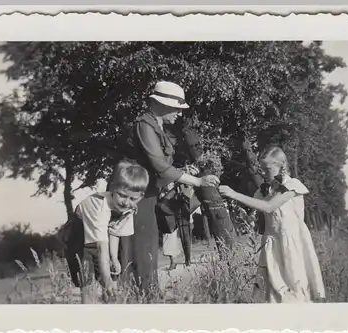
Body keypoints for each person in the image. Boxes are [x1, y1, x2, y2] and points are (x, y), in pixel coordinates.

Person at [120, 81, 220, 293]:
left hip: (147, 194)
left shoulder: (155, 126)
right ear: (162, 104)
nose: (179, 114)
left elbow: (161, 167)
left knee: (146, 249)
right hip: (135, 196)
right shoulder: (145, 125)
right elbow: (159, 165)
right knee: (140, 249)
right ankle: (142, 297)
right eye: (176, 108)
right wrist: (197, 181)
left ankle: (146, 294)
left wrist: (182, 172)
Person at [219, 145, 326, 303]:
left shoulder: (292, 186)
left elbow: (269, 207)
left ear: (281, 166)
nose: (263, 172)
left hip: (291, 242)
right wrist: (246, 216)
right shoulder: (264, 190)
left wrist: (234, 194)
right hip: (271, 243)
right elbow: (256, 210)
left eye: (267, 168)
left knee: (294, 282)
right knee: (274, 287)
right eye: (261, 168)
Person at [70, 160, 149, 303]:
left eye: (132, 198)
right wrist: (106, 279)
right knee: (88, 283)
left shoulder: (129, 208)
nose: (126, 202)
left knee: (113, 276)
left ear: (140, 197)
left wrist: (113, 258)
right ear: (112, 188)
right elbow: (100, 246)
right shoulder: (98, 206)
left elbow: (114, 232)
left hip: (103, 237)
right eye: (122, 195)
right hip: (79, 235)